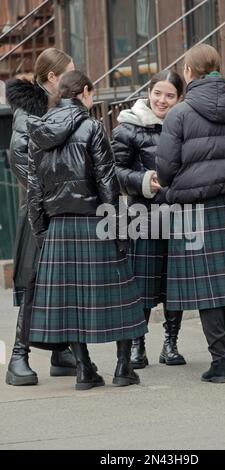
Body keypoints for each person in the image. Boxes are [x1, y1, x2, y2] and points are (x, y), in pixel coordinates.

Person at [26, 70, 147, 390]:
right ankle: (123, 369)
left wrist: (42, 233)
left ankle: (84, 370)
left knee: (69, 302)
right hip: (95, 221)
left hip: (59, 227)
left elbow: (34, 191)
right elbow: (108, 183)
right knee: (121, 295)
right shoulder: (92, 127)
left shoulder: (38, 132)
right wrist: (119, 231)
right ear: (85, 92)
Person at [156, 43, 225, 383]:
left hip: (195, 207)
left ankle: (220, 362)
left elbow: (165, 169)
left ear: (189, 72)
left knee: (208, 290)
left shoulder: (180, 113)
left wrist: (177, 185)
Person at [5, 48, 76, 386]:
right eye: (69, 73)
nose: (73, 79)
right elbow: (18, 157)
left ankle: (60, 352)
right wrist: (46, 194)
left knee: (59, 282)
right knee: (35, 284)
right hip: (40, 212)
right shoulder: (30, 110)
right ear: (52, 77)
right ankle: (18, 357)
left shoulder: (60, 108)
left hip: (58, 207)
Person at [111, 70, 186, 369]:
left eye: (170, 95)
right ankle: (137, 346)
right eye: (158, 93)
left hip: (179, 214)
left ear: (179, 98)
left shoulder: (185, 125)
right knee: (141, 283)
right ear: (149, 92)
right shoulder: (129, 126)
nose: (162, 100)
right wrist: (143, 180)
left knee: (175, 283)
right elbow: (114, 171)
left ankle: (171, 344)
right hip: (142, 214)